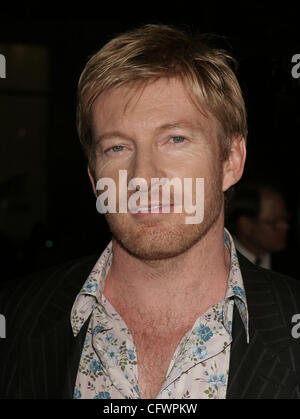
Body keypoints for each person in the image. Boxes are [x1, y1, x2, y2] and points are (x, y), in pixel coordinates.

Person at [1, 24, 300, 400]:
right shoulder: (14, 320)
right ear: (95, 179)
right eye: (117, 148)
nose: (142, 177)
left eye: (175, 139)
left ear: (231, 161)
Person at [226, 182, 292, 273]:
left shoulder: (290, 263)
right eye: (274, 222)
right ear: (246, 225)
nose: (285, 226)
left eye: (285, 219)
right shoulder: (225, 263)